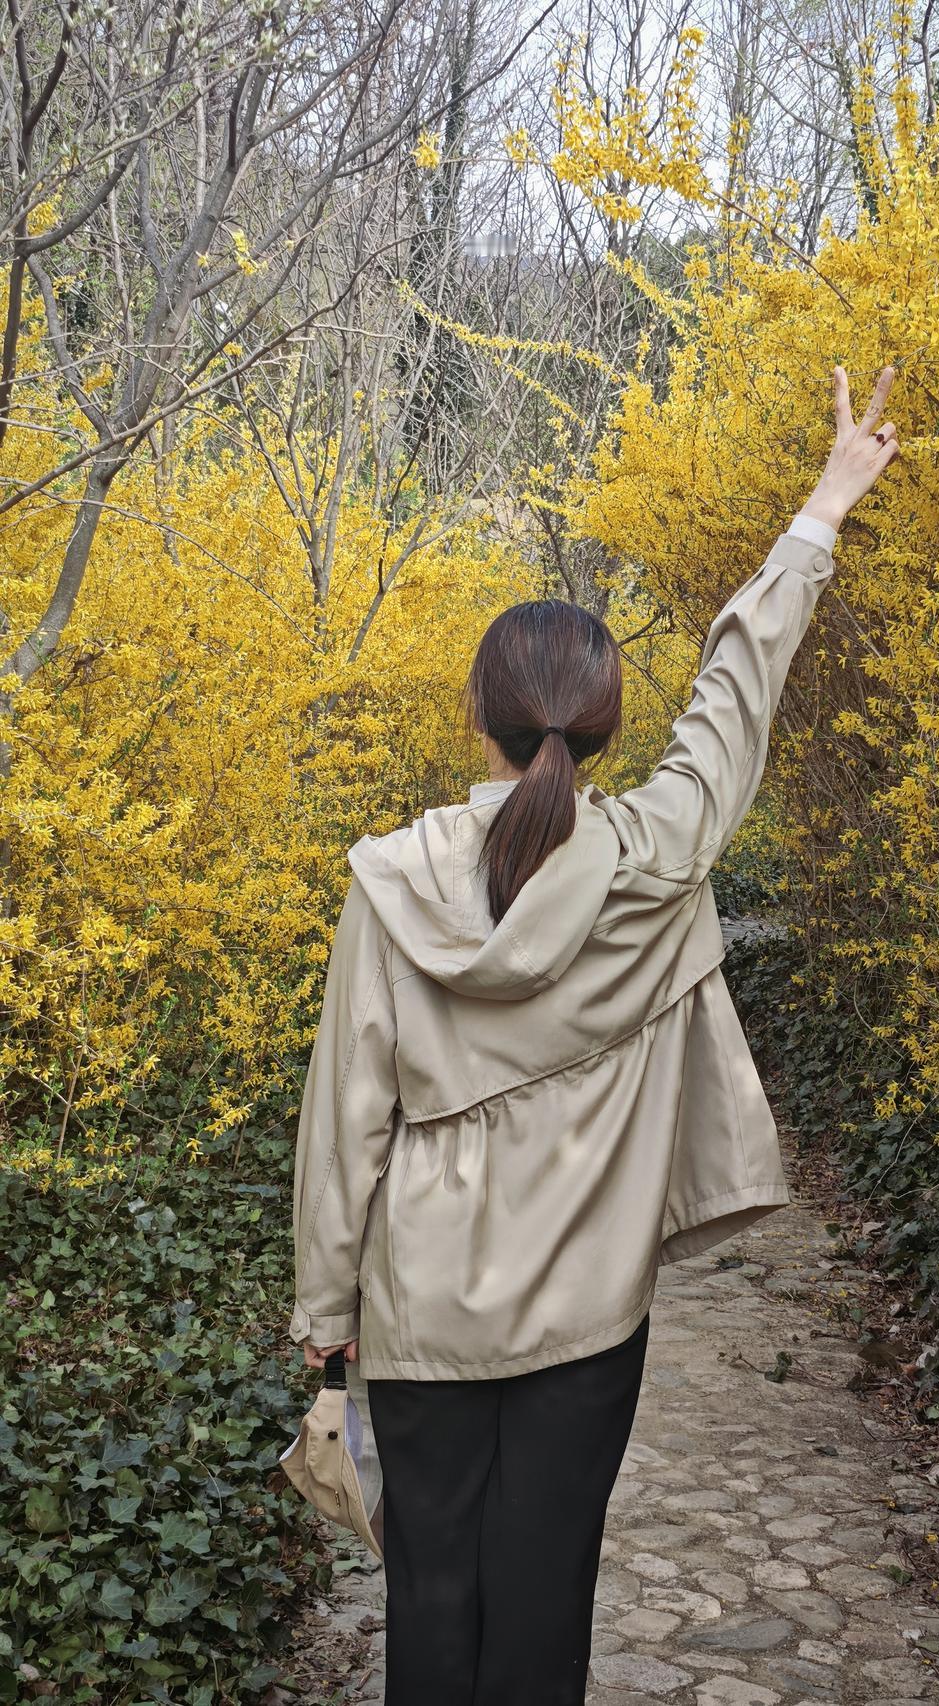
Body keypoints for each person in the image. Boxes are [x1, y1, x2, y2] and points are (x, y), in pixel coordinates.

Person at [289, 363, 900, 1704]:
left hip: (420, 1314)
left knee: (430, 1601)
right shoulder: (654, 857)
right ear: (606, 726)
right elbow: (733, 710)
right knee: (547, 1599)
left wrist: (328, 1321)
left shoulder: (391, 882)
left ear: (480, 713)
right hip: (587, 1321)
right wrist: (822, 508)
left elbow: (346, 1119)